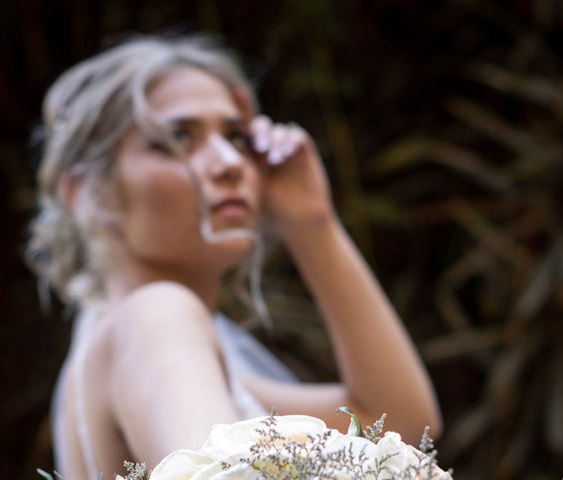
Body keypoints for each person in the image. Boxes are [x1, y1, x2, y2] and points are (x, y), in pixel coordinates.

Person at [27, 35, 442, 479]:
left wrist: (312, 223)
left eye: (237, 137)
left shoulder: (152, 349)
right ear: (86, 193)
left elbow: (393, 423)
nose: (230, 162)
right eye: (179, 137)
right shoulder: (154, 318)